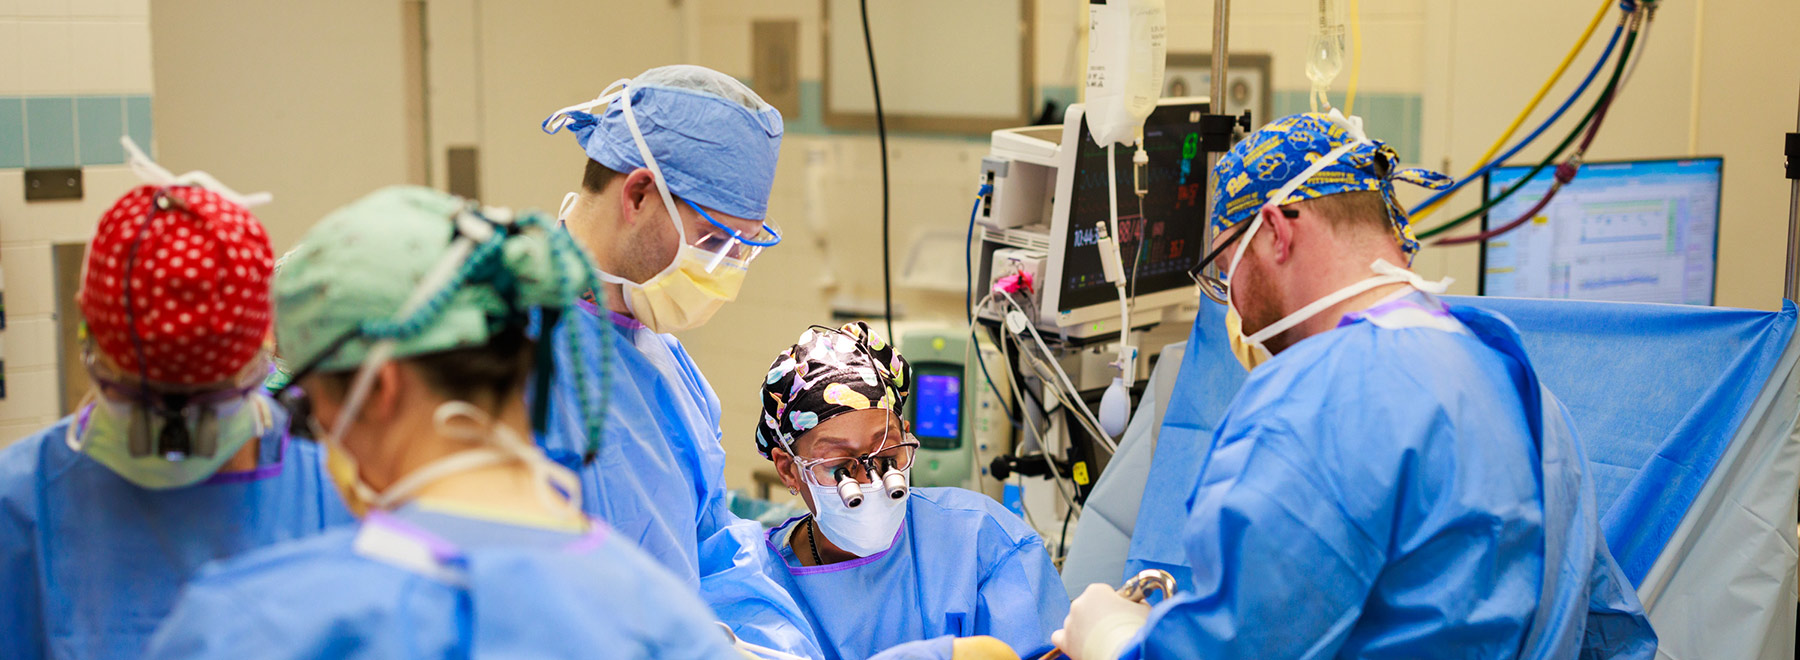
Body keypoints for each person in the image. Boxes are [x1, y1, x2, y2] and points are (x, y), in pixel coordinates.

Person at [1052, 112, 1657, 660]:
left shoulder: (1314, 401)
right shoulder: (1525, 393)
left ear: (1275, 233)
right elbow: (1613, 636)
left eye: (1225, 271)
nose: (1231, 303)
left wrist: (1110, 637)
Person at [142, 186, 740, 659]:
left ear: (381, 387)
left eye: (315, 407)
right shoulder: (665, 624)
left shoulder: (252, 626)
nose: (320, 435)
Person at [0, 168, 352, 658]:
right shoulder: (18, 508)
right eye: (141, 398)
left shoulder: (341, 501)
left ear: (265, 350)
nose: (174, 438)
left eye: (204, 402)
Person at [539, 64, 821, 657]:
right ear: (639, 195)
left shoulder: (668, 369)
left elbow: (713, 552)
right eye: (714, 242)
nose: (723, 274)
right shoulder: (507, 350)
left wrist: (762, 646)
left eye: (743, 250)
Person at [755, 322, 1069, 660]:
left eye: (888, 456)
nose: (870, 481)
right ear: (788, 469)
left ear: (905, 434)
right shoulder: (759, 584)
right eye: (839, 468)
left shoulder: (983, 542)